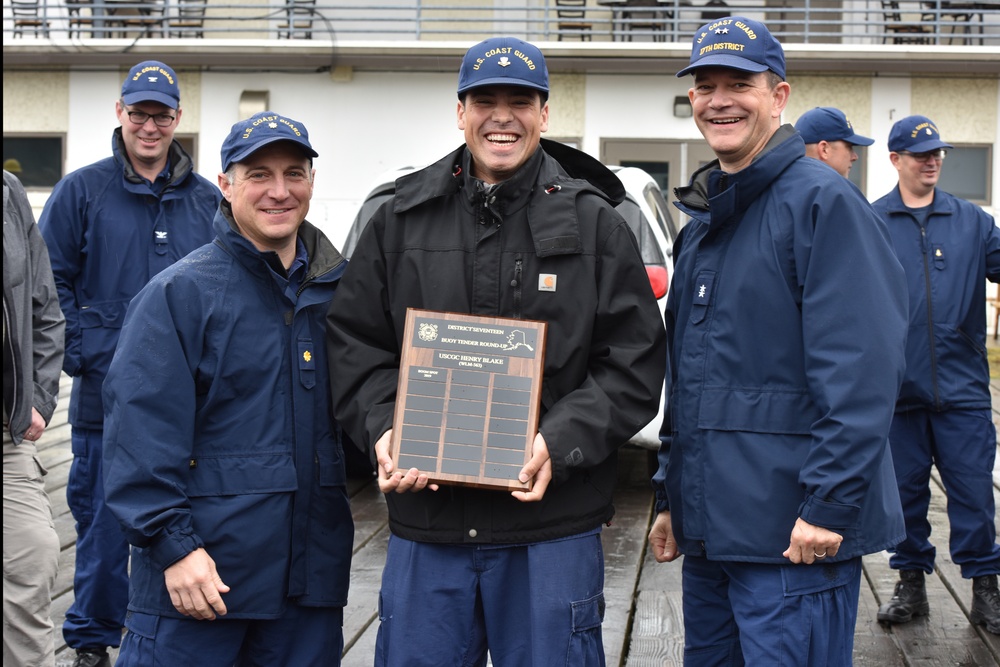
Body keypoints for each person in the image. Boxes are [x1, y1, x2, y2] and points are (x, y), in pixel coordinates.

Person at [326, 36, 666, 666]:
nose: (501, 116)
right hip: (429, 522)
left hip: (551, 526)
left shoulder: (596, 224)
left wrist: (557, 442)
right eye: (486, 100)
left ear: (543, 111)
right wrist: (383, 426)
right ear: (461, 111)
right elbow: (355, 343)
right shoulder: (399, 220)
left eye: (520, 100)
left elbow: (634, 361)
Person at [648, 16, 909, 664]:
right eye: (705, 86)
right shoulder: (705, 224)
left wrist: (828, 504)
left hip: (795, 542)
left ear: (779, 95)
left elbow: (862, 375)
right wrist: (669, 496)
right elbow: (689, 381)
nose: (719, 100)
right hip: (711, 538)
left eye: (739, 82)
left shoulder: (823, 205)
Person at [102, 111, 354, 665]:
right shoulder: (179, 295)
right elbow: (138, 436)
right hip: (199, 585)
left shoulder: (343, 296)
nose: (279, 191)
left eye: (294, 173)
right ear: (226, 185)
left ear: (312, 181)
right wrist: (173, 547)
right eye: (259, 174)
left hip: (308, 589)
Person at [37, 60, 221, 667]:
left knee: (190, 519)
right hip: (103, 404)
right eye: (138, 112)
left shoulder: (206, 201)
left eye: (160, 114)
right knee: (103, 526)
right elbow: (47, 284)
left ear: (177, 119)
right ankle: (92, 641)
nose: (149, 125)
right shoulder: (80, 191)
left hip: (195, 406)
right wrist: (84, 353)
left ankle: (172, 633)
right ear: (120, 113)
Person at [871, 114, 1000, 635]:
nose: (933, 161)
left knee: (973, 492)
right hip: (898, 391)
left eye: (938, 153)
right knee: (904, 495)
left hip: (965, 388)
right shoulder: (872, 221)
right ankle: (911, 585)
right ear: (896, 160)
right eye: (921, 153)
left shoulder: (973, 221)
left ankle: (986, 588)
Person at [3, 169, 65, 667]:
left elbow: (45, 307)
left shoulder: (8, 192)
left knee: (35, 558)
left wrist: (39, 398)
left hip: (7, 438)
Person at [794, 106, 874, 178]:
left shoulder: (787, 186)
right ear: (824, 149)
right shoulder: (827, 193)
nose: (855, 157)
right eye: (849, 147)